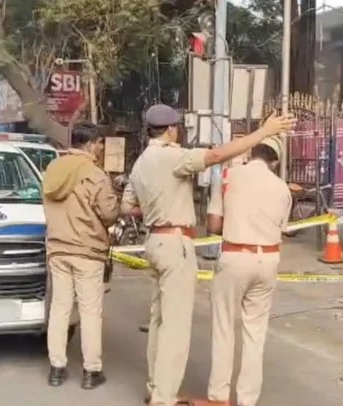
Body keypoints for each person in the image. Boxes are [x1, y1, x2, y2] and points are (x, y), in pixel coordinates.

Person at [120, 105, 296, 406]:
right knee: (175, 326)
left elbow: (127, 207)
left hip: (155, 241)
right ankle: (164, 398)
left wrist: (157, 209)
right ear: (172, 128)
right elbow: (215, 155)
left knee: (160, 319)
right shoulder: (172, 156)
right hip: (177, 243)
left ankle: (157, 386)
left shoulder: (141, 163)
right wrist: (263, 132)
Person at [202, 136, 291, 406]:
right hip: (268, 261)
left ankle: (219, 396)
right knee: (255, 333)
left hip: (235, 256)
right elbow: (282, 229)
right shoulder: (282, 188)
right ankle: (247, 400)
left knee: (224, 327)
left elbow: (213, 225)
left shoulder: (229, 176)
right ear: (274, 161)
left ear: (251, 152)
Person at [42, 121, 119, 389]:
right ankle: (91, 370)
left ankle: (56, 368)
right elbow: (109, 214)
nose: (100, 148)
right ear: (90, 143)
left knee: (60, 308)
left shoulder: (52, 169)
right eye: (99, 143)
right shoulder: (94, 174)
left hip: (57, 249)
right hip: (87, 251)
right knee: (89, 311)